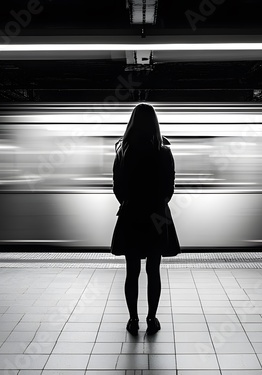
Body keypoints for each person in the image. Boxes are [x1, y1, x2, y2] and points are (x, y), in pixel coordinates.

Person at [111, 103, 180, 336]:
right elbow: (169, 189)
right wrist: (156, 204)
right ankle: (152, 318)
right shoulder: (164, 152)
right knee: (153, 270)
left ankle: (133, 319)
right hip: (156, 217)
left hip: (131, 216)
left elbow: (117, 188)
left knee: (132, 271)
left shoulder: (122, 151)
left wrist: (129, 203)